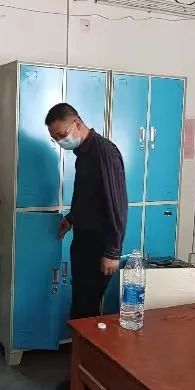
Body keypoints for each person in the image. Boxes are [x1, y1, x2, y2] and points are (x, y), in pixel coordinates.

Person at [45, 103, 128, 319]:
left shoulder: (103, 152)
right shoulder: (83, 153)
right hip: (84, 241)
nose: (60, 141)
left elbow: (116, 204)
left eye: (61, 135)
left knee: (87, 307)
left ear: (77, 123)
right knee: (81, 301)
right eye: (55, 138)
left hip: (99, 245)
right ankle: (79, 341)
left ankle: (85, 342)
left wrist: (112, 252)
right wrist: (72, 218)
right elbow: (87, 196)